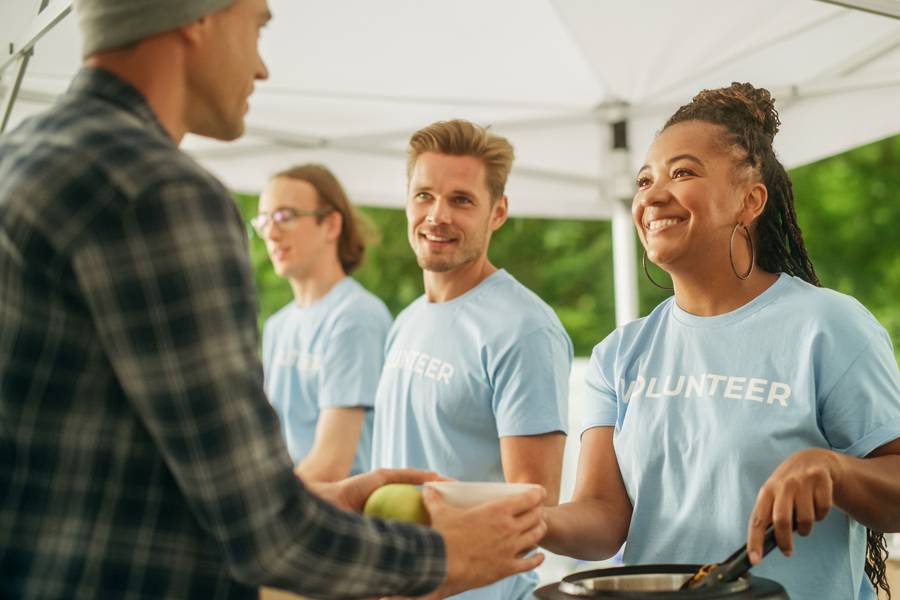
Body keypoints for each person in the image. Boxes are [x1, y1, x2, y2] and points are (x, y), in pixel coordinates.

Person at [0, 1, 550, 598]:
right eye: (257, 25)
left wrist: (318, 501)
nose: (261, 67)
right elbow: (267, 532)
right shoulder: (160, 191)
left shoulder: (22, 154)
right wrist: (446, 555)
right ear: (197, 17)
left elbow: (108, 461)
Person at [539, 83, 900, 600]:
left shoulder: (831, 327)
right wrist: (531, 518)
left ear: (750, 200)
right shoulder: (619, 354)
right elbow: (603, 519)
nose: (652, 195)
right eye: (645, 179)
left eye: (682, 172)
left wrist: (833, 469)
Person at [371, 119, 574, 600]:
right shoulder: (406, 320)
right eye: (424, 195)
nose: (437, 215)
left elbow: (530, 506)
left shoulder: (525, 329)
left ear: (497, 212)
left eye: (461, 200)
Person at [256, 165, 390, 482]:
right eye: (264, 220)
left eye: (285, 216)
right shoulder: (278, 325)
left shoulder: (357, 317)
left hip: (342, 517)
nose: (271, 234)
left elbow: (331, 465)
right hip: (296, 503)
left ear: (330, 224)